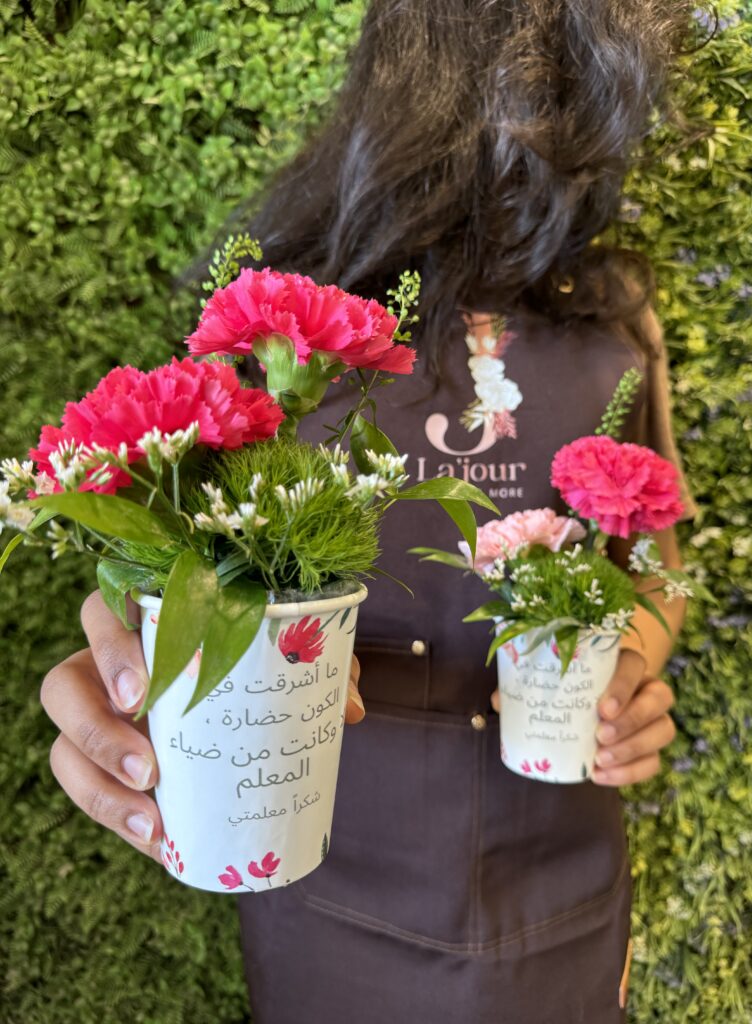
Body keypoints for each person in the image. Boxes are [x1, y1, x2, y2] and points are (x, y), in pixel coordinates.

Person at [40, 2, 703, 1021]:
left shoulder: (615, 313)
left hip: (561, 878)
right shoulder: (282, 320)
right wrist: (148, 657)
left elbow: (657, 562)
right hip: (326, 873)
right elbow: (193, 577)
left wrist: (626, 675)